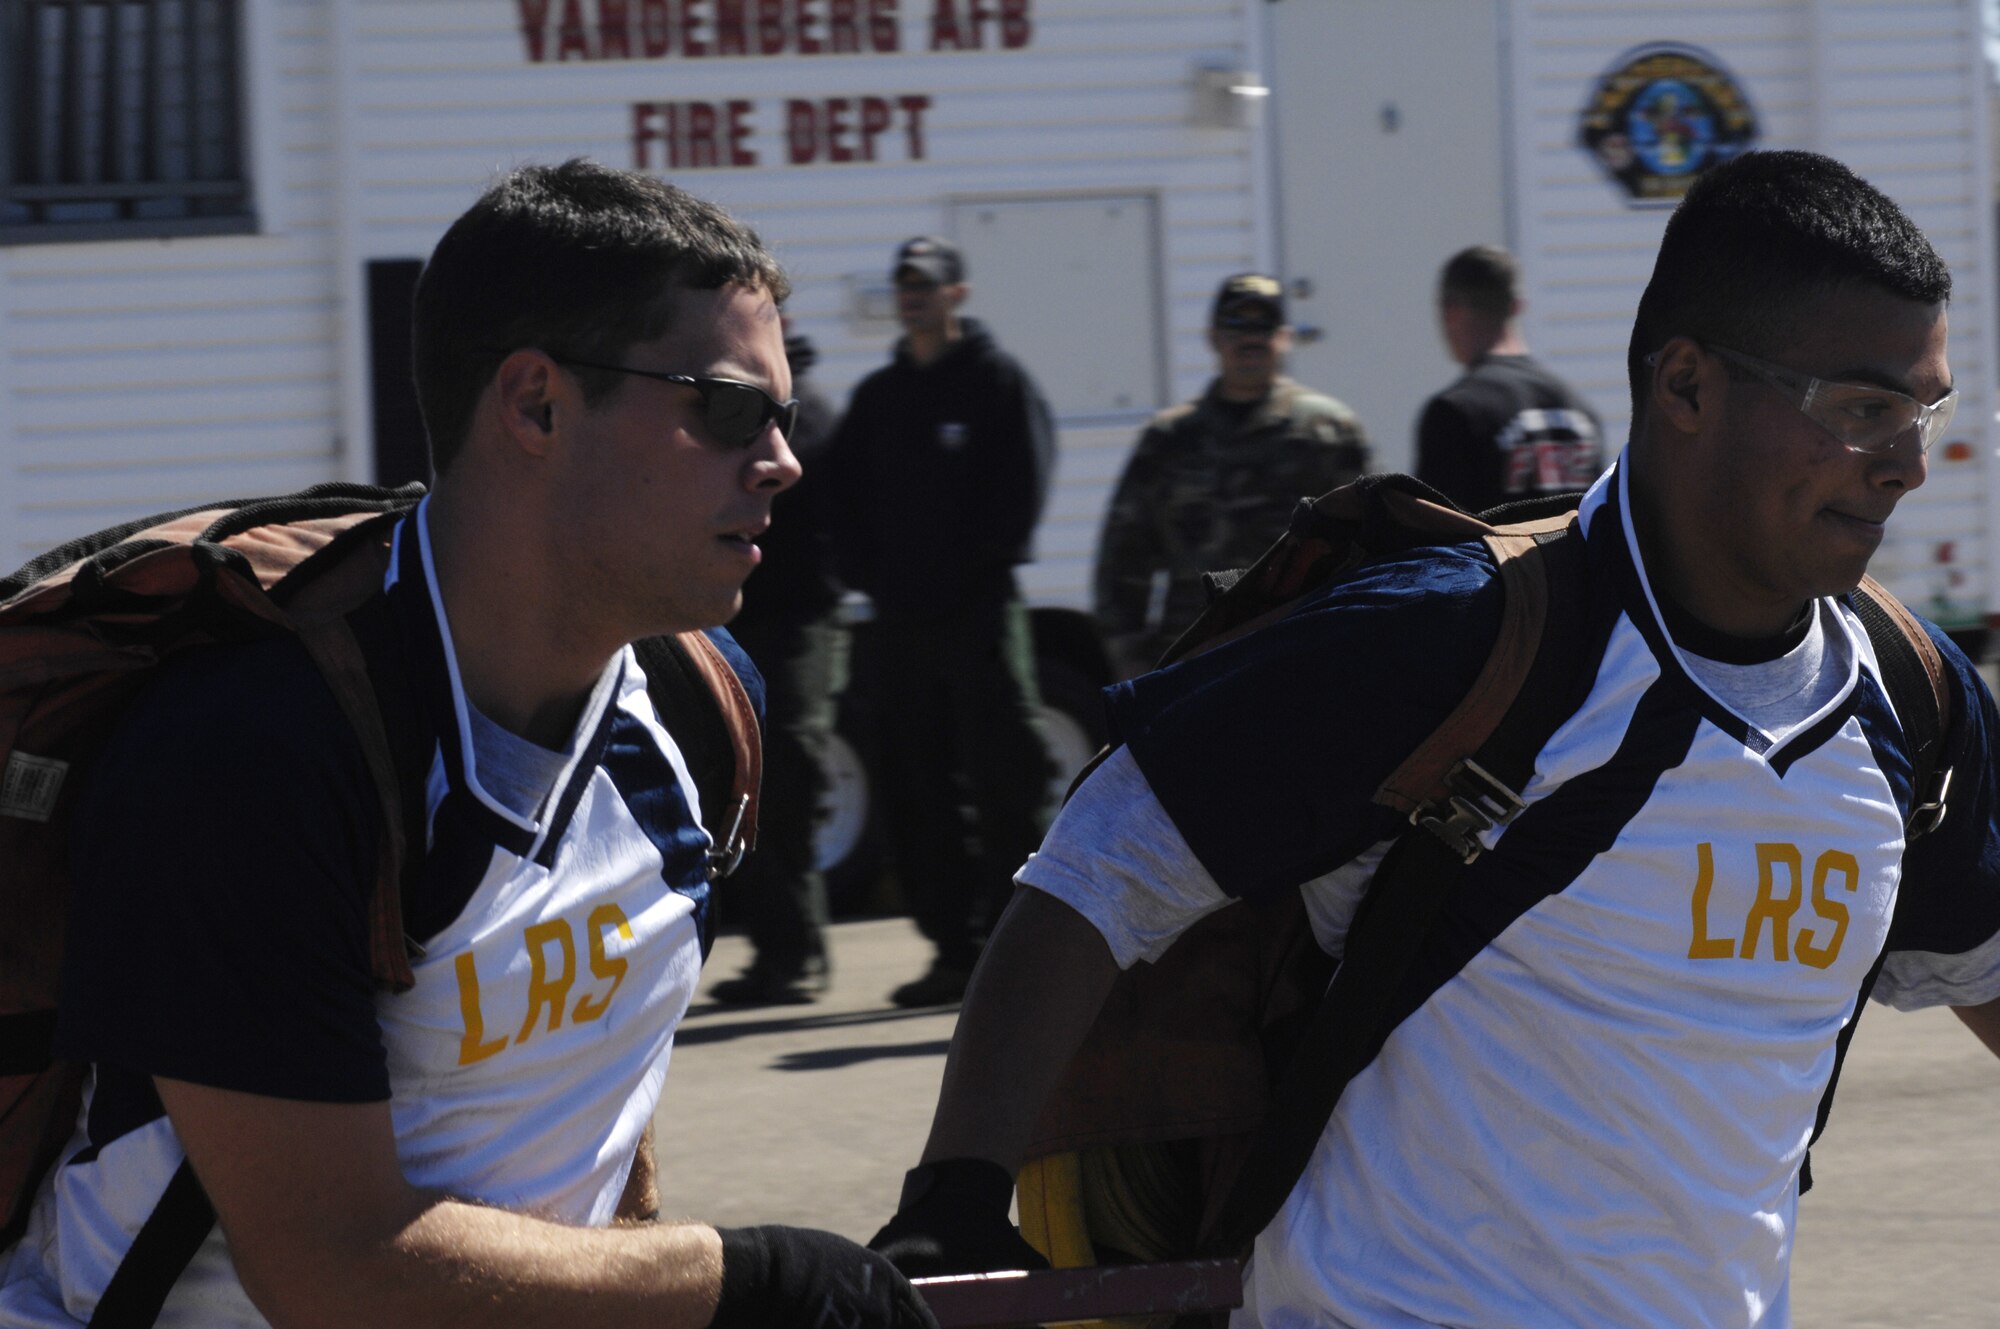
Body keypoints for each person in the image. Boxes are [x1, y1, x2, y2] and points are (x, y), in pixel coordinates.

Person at [871, 150, 2000, 1326]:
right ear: (1684, 386)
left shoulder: (1912, 707)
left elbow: (1980, 960)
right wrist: (953, 1198)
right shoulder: (1453, 636)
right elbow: (1096, 865)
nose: (1909, 465)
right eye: (1863, 409)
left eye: (1924, 410)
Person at [0, 161, 936, 1329]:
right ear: (535, 403)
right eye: (731, 406)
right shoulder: (254, 752)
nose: (783, 460)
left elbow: (585, 1116)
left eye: (784, 414)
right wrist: (761, 1280)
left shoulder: (703, 705)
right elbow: (331, 1271)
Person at [827, 235, 1056, 1008]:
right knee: (914, 785)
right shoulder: (881, 398)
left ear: (958, 293)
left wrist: (962, 574)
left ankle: (1021, 949)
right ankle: (953, 953)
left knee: (1006, 782)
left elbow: (1020, 493)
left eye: (927, 283)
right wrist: (874, 577)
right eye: (904, 283)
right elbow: (840, 501)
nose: (913, 294)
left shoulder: (996, 383)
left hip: (981, 617)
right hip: (901, 626)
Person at [1093, 273, 1370, 678]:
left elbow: (1374, 543)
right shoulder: (1169, 440)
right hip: (1197, 661)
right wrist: (1134, 664)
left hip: (1302, 656)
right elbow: (1122, 561)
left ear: (1285, 336)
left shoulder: (1328, 431)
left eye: (1264, 326)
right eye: (1237, 325)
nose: (1251, 339)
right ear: (1213, 337)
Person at [708, 327, 844, 1005]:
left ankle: (796, 954)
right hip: (751, 622)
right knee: (753, 784)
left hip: (798, 623)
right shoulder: (749, 421)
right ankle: (778, 953)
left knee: (786, 777)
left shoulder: (806, 418)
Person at [1413, 243, 1604, 514]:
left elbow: (1433, 540)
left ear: (1450, 310)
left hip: (1496, 557)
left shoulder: (1454, 412)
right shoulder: (1581, 412)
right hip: (1569, 557)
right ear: (1517, 306)